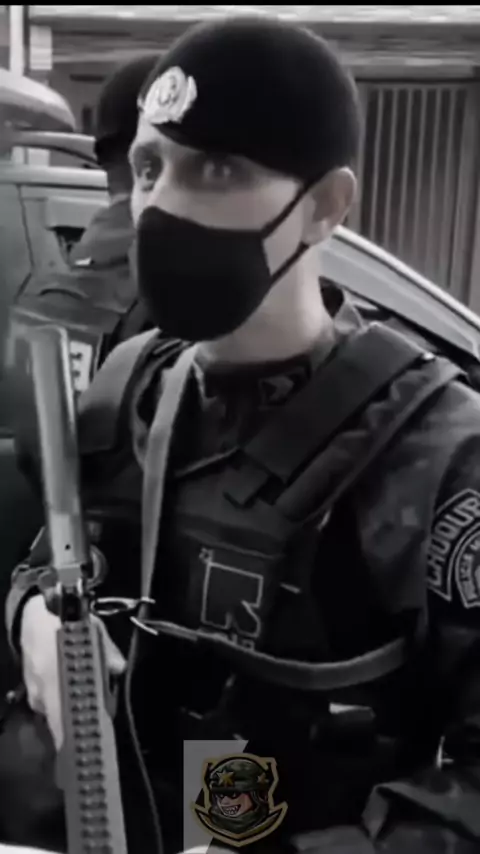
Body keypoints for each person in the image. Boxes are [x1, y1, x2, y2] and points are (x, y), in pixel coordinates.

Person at [4, 14, 480, 854]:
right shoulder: (130, 384)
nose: (161, 204)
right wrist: (33, 623)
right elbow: (53, 564)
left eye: (217, 168)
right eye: (149, 167)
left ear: (324, 207)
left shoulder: (436, 451)